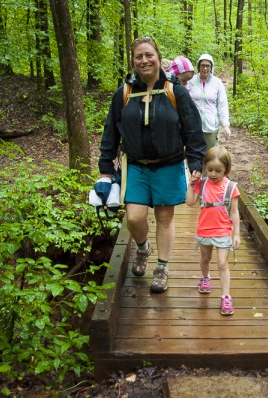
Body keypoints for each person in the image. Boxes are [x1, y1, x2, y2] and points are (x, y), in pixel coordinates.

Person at [96, 36, 206, 293]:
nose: (144, 60)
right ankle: (143, 248)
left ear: (158, 57)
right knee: (134, 218)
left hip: (169, 165)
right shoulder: (124, 93)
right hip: (135, 166)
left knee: (165, 217)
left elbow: (193, 130)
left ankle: (162, 267)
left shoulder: (174, 91)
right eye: (139, 57)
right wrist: (104, 169)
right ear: (133, 61)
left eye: (149, 55)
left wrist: (196, 162)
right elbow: (110, 131)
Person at [185, 145, 240, 315]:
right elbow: (189, 202)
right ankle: (205, 278)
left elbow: (235, 212)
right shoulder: (201, 184)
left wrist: (236, 234)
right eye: (209, 170)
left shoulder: (231, 187)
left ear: (226, 170)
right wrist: (191, 184)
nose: (213, 174)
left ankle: (225, 296)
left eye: (218, 170)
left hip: (223, 230)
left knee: (222, 263)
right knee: (205, 258)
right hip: (205, 230)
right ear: (204, 167)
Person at [188, 54, 232, 149]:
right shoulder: (191, 81)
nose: (205, 68)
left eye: (207, 66)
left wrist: (225, 125)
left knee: (211, 156)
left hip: (211, 127)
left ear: (211, 67)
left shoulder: (217, 82)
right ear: (198, 67)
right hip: (194, 126)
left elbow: (222, 104)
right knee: (195, 155)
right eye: (202, 65)